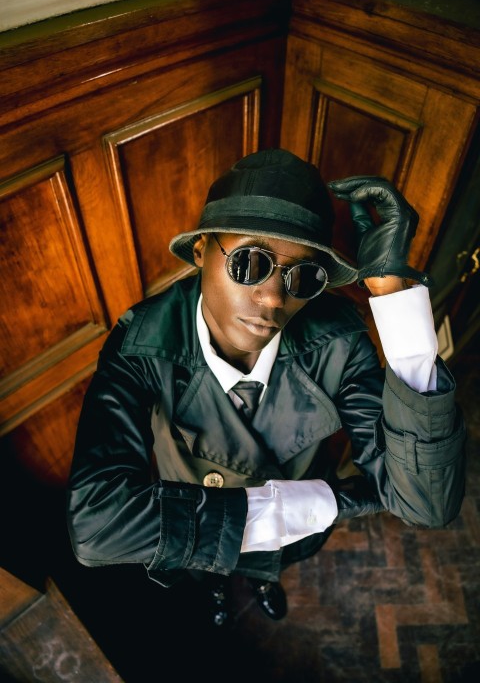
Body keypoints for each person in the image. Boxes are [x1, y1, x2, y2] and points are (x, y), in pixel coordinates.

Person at [66, 148, 466, 627]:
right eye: (250, 262)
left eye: (303, 277)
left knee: (271, 563)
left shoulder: (338, 341)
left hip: (289, 534)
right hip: (193, 521)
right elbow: (95, 527)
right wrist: (327, 501)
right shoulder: (142, 344)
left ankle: (263, 581)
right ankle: (218, 589)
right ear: (201, 252)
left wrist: (391, 293)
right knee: (209, 566)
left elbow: (427, 503)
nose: (274, 297)